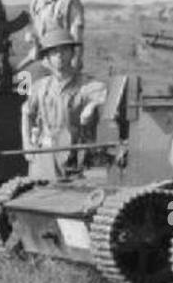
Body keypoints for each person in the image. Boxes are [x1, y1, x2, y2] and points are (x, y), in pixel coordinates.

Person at [21, 28, 108, 178]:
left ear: (72, 53)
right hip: (44, 156)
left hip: (74, 158)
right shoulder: (40, 87)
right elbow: (26, 113)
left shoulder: (86, 85)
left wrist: (92, 106)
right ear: (47, 57)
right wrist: (27, 144)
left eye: (64, 50)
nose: (59, 55)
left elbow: (106, 97)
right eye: (54, 51)